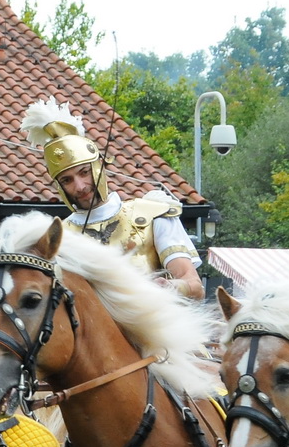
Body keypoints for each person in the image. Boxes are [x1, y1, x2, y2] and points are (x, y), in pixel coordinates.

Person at [20, 98, 203, 300]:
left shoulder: (151, 214)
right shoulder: (58, 239)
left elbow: (194, 286)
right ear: (59, 186)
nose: (80, 186)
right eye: (67, 180)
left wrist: (171, 286)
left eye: (84, 172)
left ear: (99, 167)